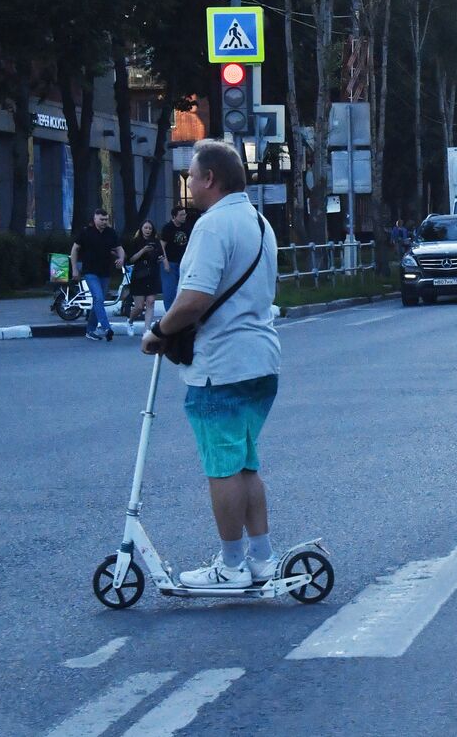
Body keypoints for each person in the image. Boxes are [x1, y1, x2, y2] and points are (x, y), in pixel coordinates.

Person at [141, 140, 281, 589]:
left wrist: (159, 332)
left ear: (210, 179)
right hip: (261, 360)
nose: (190, 183)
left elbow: (195, 298)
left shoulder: (213, 225)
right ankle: (262, 558)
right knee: (245, 464)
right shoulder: (260, 223)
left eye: (193, 175)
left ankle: (231, 565)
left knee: (222, 466)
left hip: (221, 363)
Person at [70, 209, 124, 342]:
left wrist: (121, 258)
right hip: (90, 272)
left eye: (106, 219)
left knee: (98, 301)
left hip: (105, 272)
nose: (104, 222)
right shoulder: (86, 232)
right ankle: (106, 328)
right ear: (94, 219)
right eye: (102, 219)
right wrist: (75, 269)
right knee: (98, 297)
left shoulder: (110, 232)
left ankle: (90, 330)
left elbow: (119, 248)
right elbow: (74, 249)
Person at [125, 220, 165, 337]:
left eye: (150, 228)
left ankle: (146, 331)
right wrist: (143, 250)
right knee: (139, 306)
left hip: (152, 274)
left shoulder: (156, 242)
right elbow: (131, 260)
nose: (148, 230)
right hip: (139, 275)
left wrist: (160, 259)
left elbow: (160, 255)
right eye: (146, 228)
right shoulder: (136, 242)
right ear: (141, 229)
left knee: (151, 302)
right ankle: (130, 321)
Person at [160, 206, 191, 310]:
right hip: (171, 263)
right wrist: (165, 262)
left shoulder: (186, 227)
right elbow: (162, 246)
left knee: (183, 290)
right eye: (181, 215)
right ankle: (169, 314)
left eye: (184, 214)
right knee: (169, 291)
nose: (184, 217)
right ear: (174, 216)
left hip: (183, 263)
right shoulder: (168, 228)